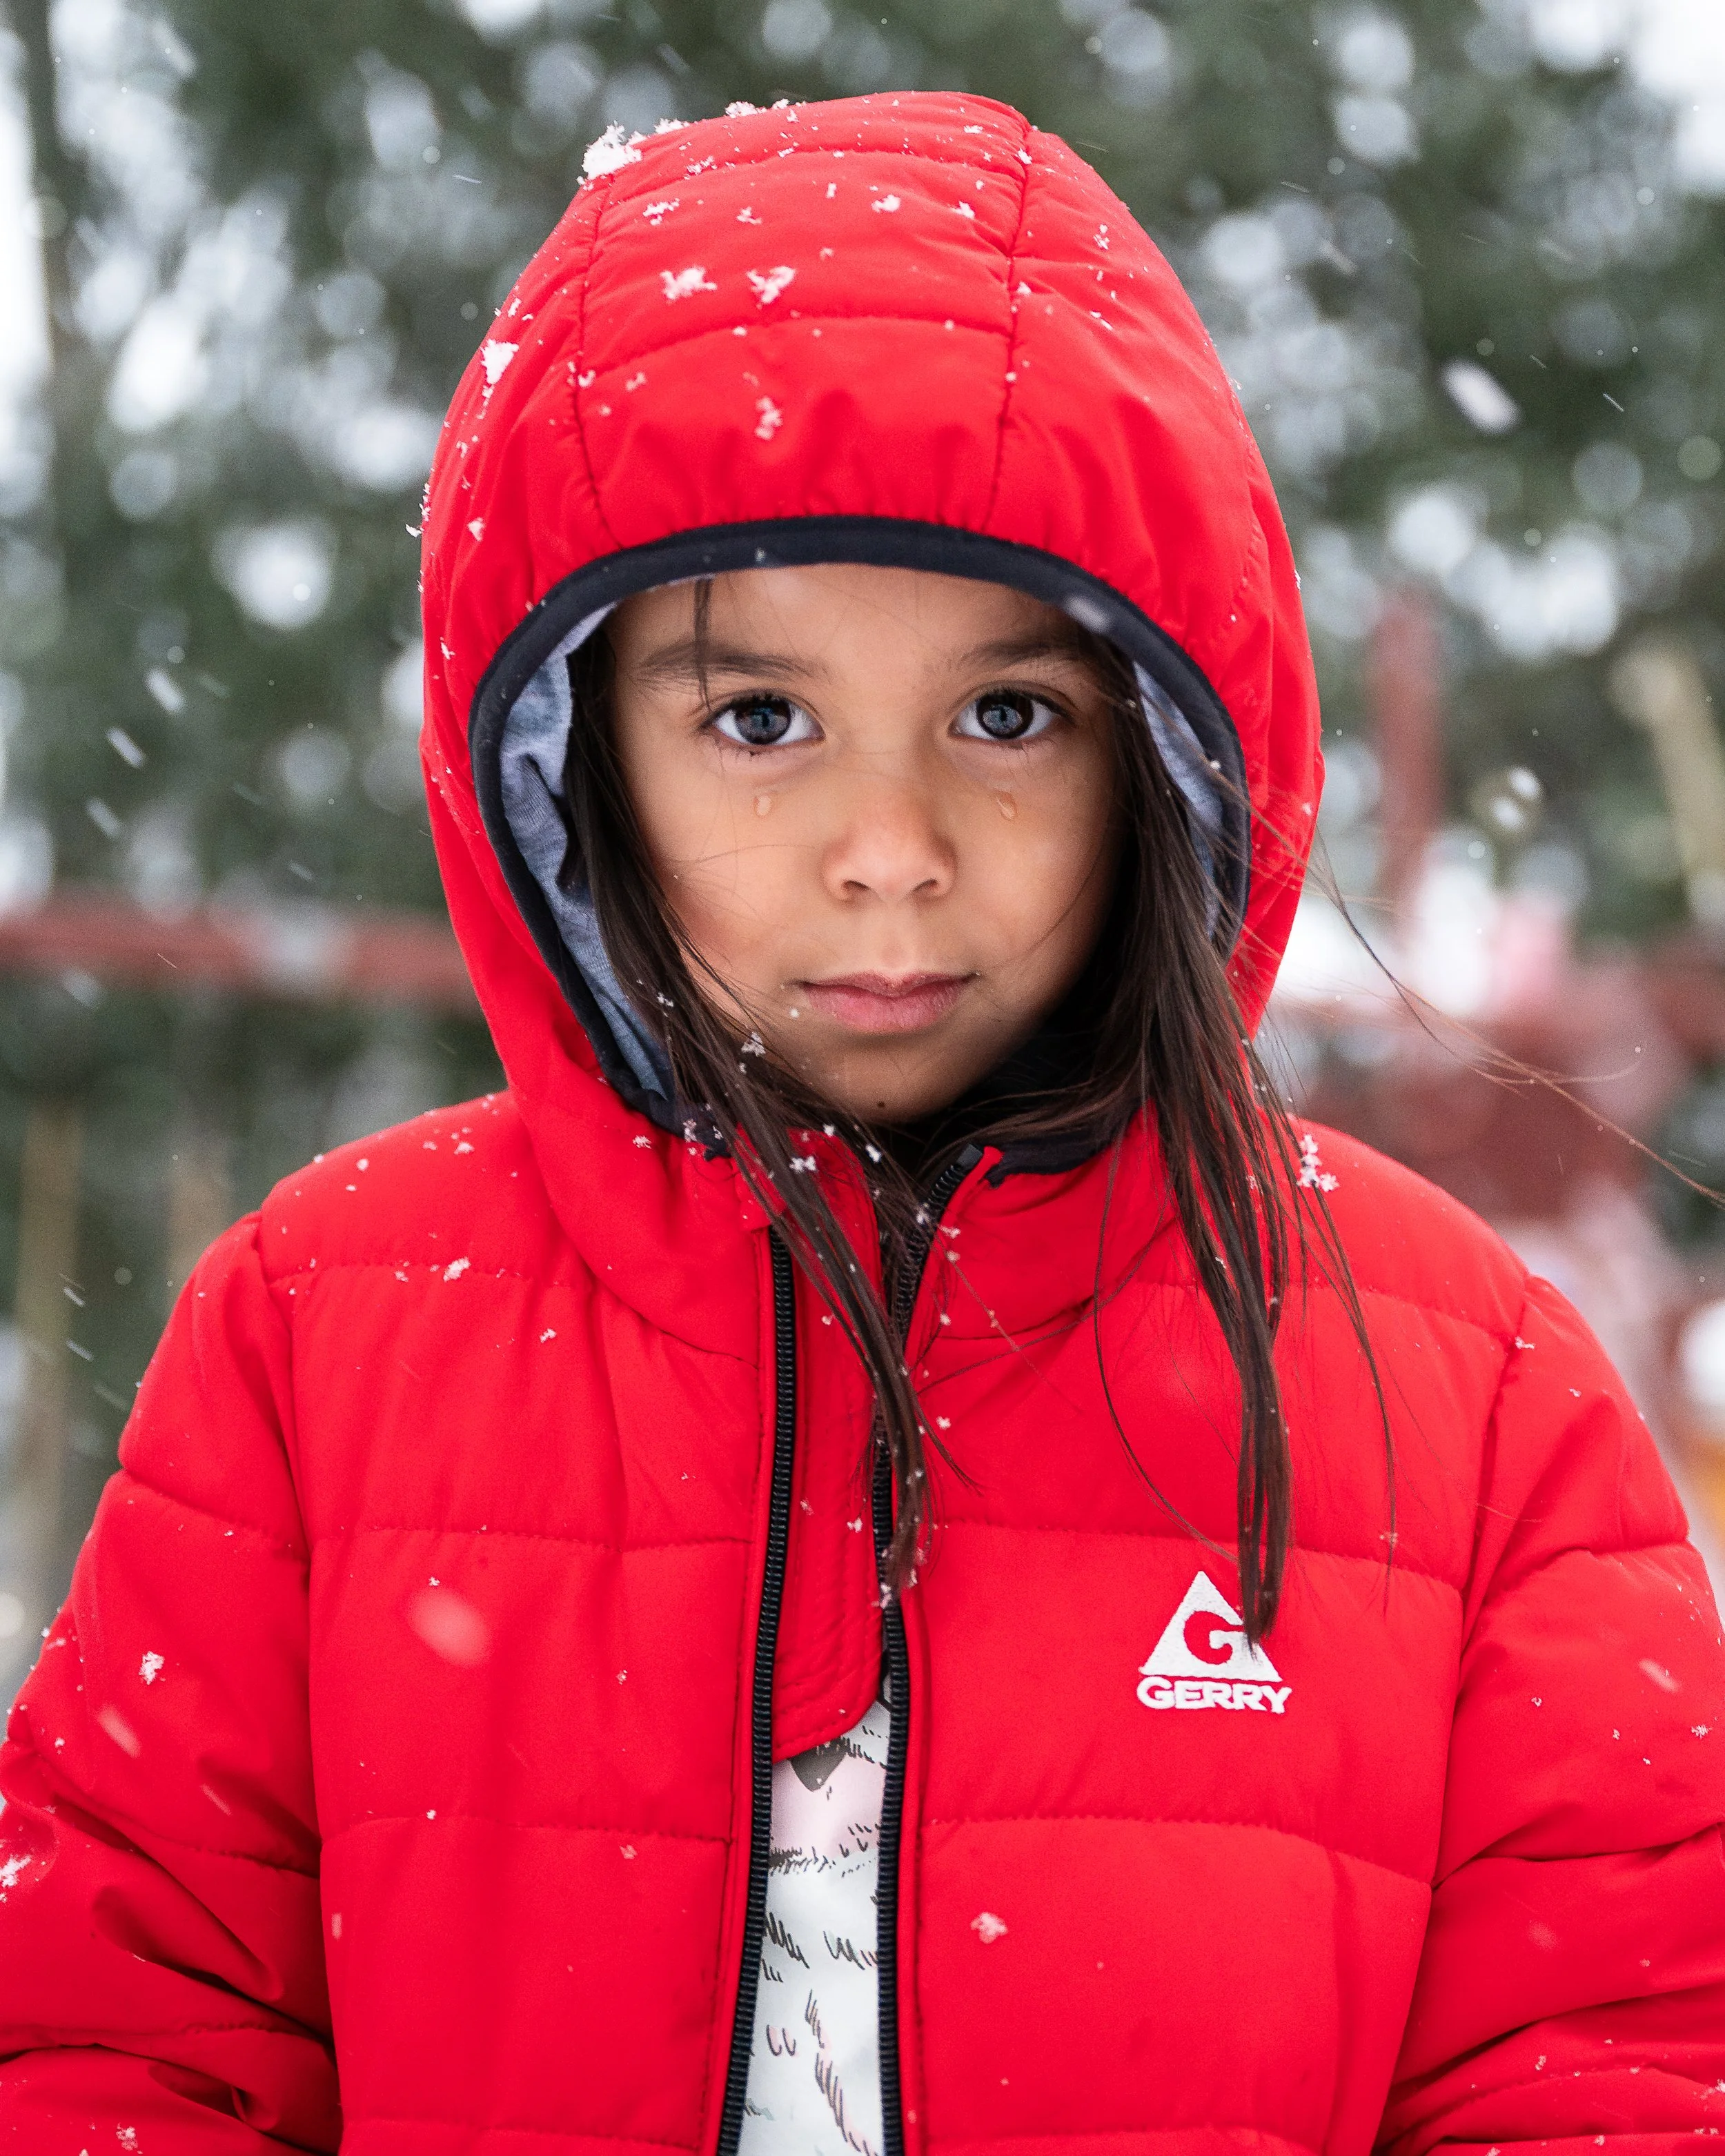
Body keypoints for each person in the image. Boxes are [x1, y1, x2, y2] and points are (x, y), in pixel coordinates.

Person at [1, 88, 1722, 2156]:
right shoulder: (323, 1329)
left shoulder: (1457, 1380)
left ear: (1163, 746)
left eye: (1006, 715)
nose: (890, 845)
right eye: (760, 718)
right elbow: (118, 2041)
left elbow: (1621, 2070)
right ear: (569, 754)